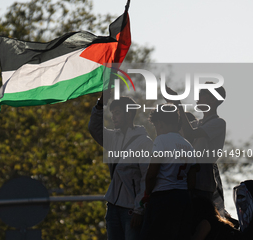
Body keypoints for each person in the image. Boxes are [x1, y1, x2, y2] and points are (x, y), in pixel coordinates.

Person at [88, 93, 153, 240]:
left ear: (129, 114)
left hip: (131, 209)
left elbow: (147, 178)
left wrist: (139, 209)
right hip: (112, 207)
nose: (113, 117)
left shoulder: (144, 142)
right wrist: (100, 104)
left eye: (117, 113)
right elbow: (94, 128)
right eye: (112, 113)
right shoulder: (113, 138)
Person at [166, 82, 226, 215]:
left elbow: (189, 133)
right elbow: (174, 134)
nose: (198, 97)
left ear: (213, 99)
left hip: (202, 182)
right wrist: (173, 106)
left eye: (202, 94)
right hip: (186, 181)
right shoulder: (197, 123)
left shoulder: (218, 123)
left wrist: (178, 104)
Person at [139, 104, 197, 240]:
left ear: (159, 123)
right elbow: (192, 180)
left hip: (162, 198)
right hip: (183, 199)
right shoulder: (188, 144)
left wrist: (147, 194)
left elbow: (152, 174)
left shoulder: (161, 140)